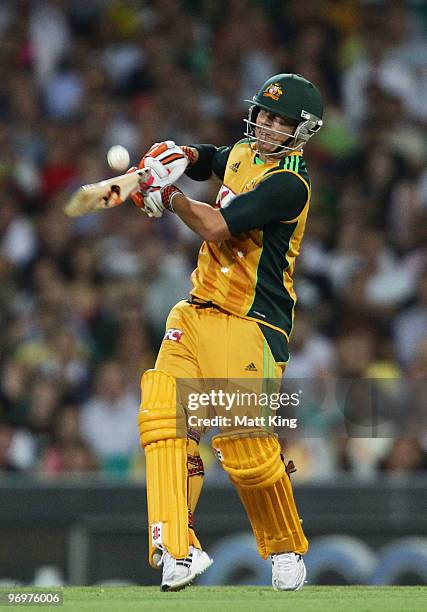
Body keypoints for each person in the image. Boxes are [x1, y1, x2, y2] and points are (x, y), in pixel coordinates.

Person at [132, 73, 323, 592]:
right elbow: (215, 156)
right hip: (194, 311)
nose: (265, 125)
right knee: (162, 419)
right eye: (262, 113)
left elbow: (218, 226)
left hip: (250, 323)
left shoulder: (289, 184)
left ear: (300, 131)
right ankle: (176, 550)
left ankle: (285, 546)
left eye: (279, 120)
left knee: (244, 449)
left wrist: (167, 198)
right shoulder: (243, 151)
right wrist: (181, 156)